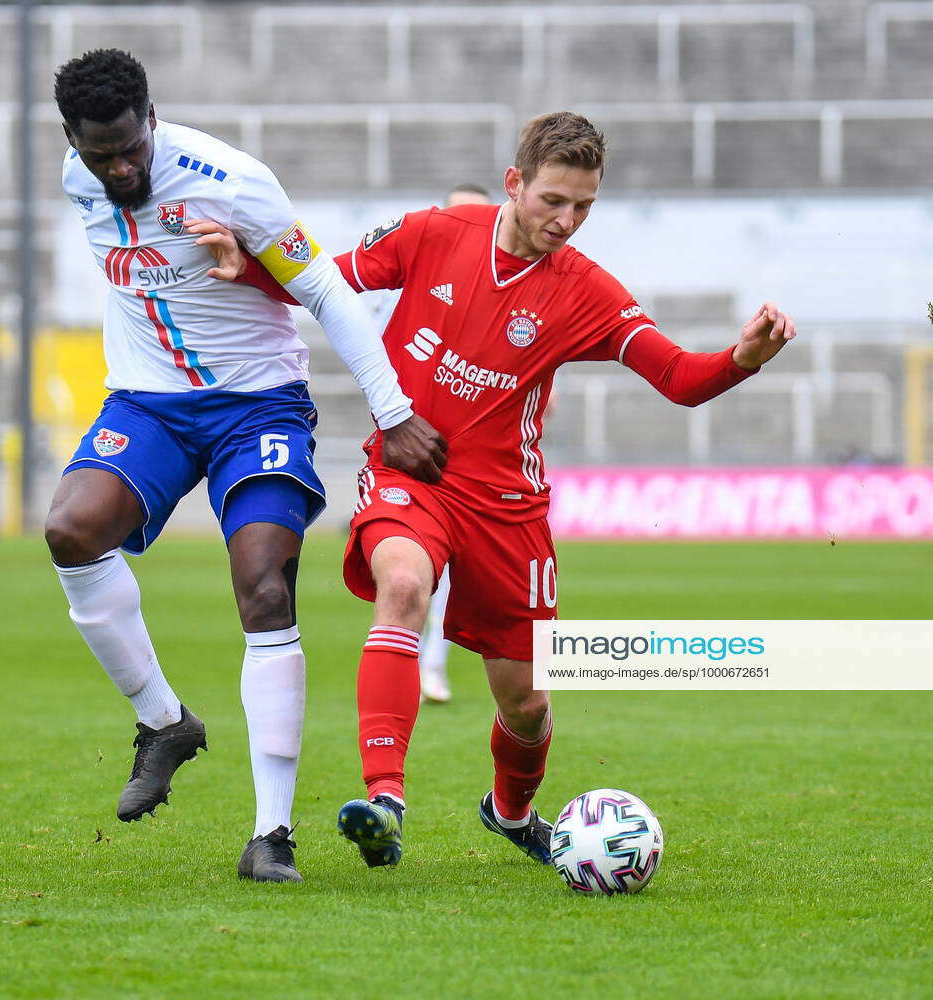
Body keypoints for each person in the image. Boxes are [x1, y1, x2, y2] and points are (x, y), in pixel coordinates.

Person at [190, 111, 796, 871]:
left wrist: (744, 356)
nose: (567, 221)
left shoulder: (585, 291)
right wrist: (245, 267)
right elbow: (323, 282)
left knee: (526, 702)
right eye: (553, 201)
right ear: (514, 184)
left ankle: (510, 814)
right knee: (403, 587)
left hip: (509, 508)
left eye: (583, 207)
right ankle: (386, 802)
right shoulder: (434, 233)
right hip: (414, 475)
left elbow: (676, 378)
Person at [44, 48, 444, 884]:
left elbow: (327, 289)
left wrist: (394, 411)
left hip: (257, 404)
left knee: (264, 586)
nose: (118, 167)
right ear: (72, 142)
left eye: (129, 147)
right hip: (148, 405)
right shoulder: (77, 179)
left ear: (151, 120)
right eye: (97, 152)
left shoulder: (232, 179)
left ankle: (271, 835)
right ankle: (165, 724)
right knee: (70, 530)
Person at [418, 183, 494, 704]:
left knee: (449, 576)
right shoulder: (411, 278)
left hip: (481, 462)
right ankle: (419, 666)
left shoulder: (501, 289)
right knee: (410, 574)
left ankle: (432, 666)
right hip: (412, 457)